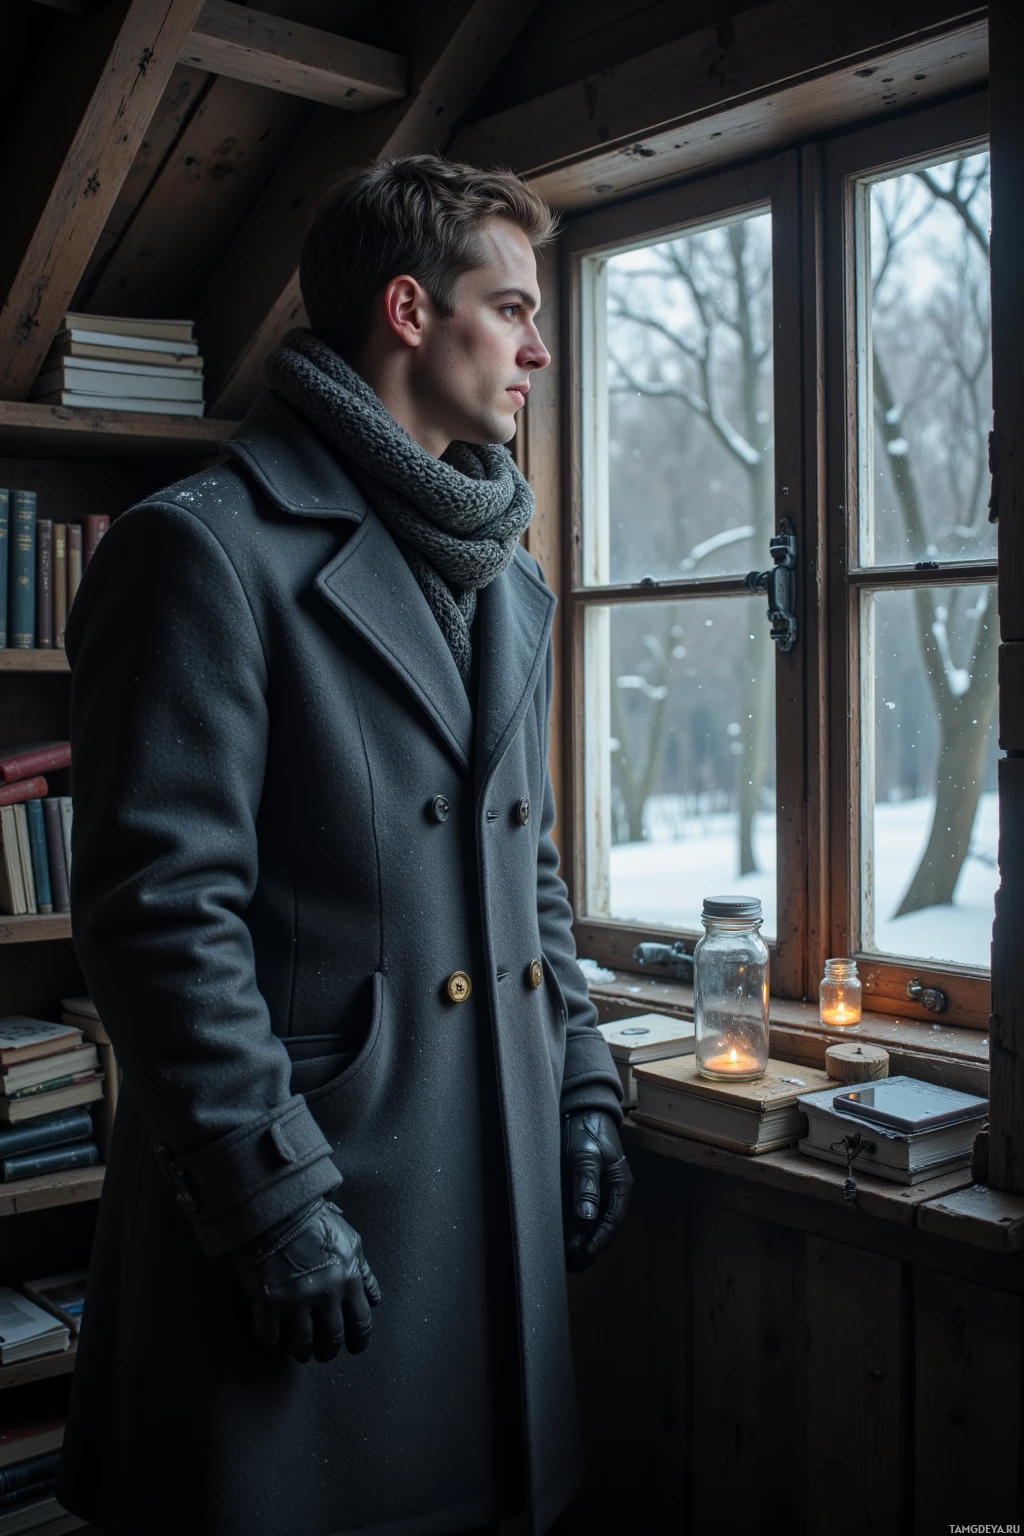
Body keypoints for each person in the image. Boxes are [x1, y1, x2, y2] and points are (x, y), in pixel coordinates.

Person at [57, 154, 633, 1536]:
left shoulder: (509, 578)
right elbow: (158, 916)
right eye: (512, 310)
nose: (540, 350)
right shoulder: (200, 551)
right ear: (410, 311)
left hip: (480, 1188)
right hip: (316, 1201)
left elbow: (527, 866)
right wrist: (271, 1204)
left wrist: (584, 1077)